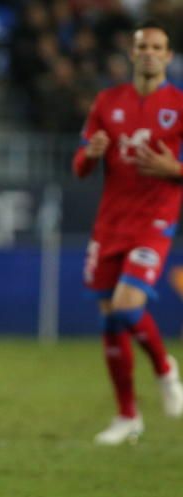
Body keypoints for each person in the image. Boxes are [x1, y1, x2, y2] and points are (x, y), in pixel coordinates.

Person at [73, 21, 183, 446]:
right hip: (110, 223)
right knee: (109, 318)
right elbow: (80, 166)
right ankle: (127, 416)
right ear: (132, 53)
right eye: (143, 46)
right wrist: (91, 154)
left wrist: (175, 170)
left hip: (155, 219)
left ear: (169, 56)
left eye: (158, 47)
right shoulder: (107, 101)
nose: (151, 52)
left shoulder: (178, 104)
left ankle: (164, 369)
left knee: (126, 304)